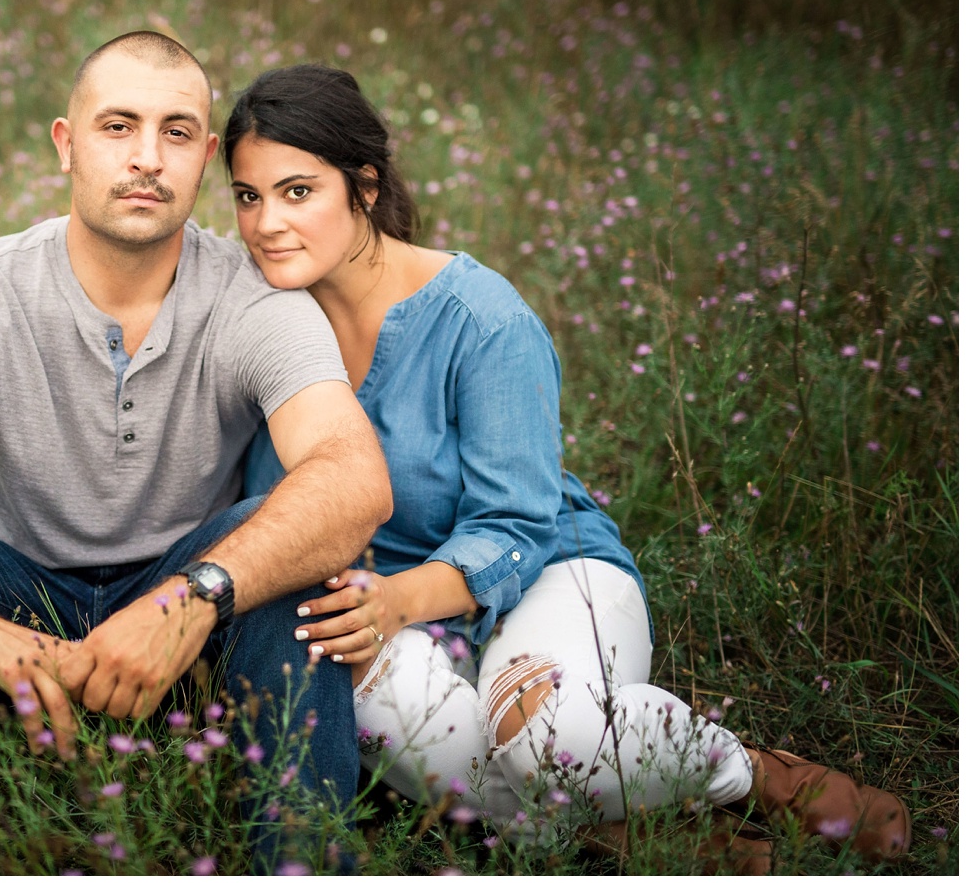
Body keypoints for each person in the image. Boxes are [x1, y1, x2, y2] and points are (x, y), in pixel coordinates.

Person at [225, 63, 911, 868]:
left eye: (297, 191)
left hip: (544, 565)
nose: (267, 222)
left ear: (365, 187)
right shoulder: (255, 315)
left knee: (549, 738)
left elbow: (516, 525)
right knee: (391, 711)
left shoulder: (481, 317)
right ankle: (641, 828)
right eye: (247, 195)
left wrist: (400, 599)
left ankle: (747, 775)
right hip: (381, 611)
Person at [0, 33, 392, 873]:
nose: (146, 157)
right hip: (9, 603)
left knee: (281, 553)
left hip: (182, 615)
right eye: (118, 126)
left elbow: (353, 477)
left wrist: (194, 595)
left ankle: (297, 863)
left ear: (206, 156)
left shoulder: (253, 302)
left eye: (176, 132)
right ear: (67, 144)